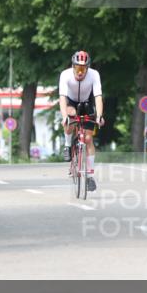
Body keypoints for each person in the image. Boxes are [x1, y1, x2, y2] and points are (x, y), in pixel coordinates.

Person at [59, 51, 105, 192]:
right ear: (73, 67)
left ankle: (90, 176)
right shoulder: (65, 75)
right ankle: (67, 145)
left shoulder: (94, 74)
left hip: (87, 102)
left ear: (87, 68)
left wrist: (99, 116)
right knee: (69, 117)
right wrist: (64, 116)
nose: (80, 72)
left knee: (88, 138)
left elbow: (98, 97)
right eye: (77, 68)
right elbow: (62, 98)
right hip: (71, 102)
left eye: (83, 69)